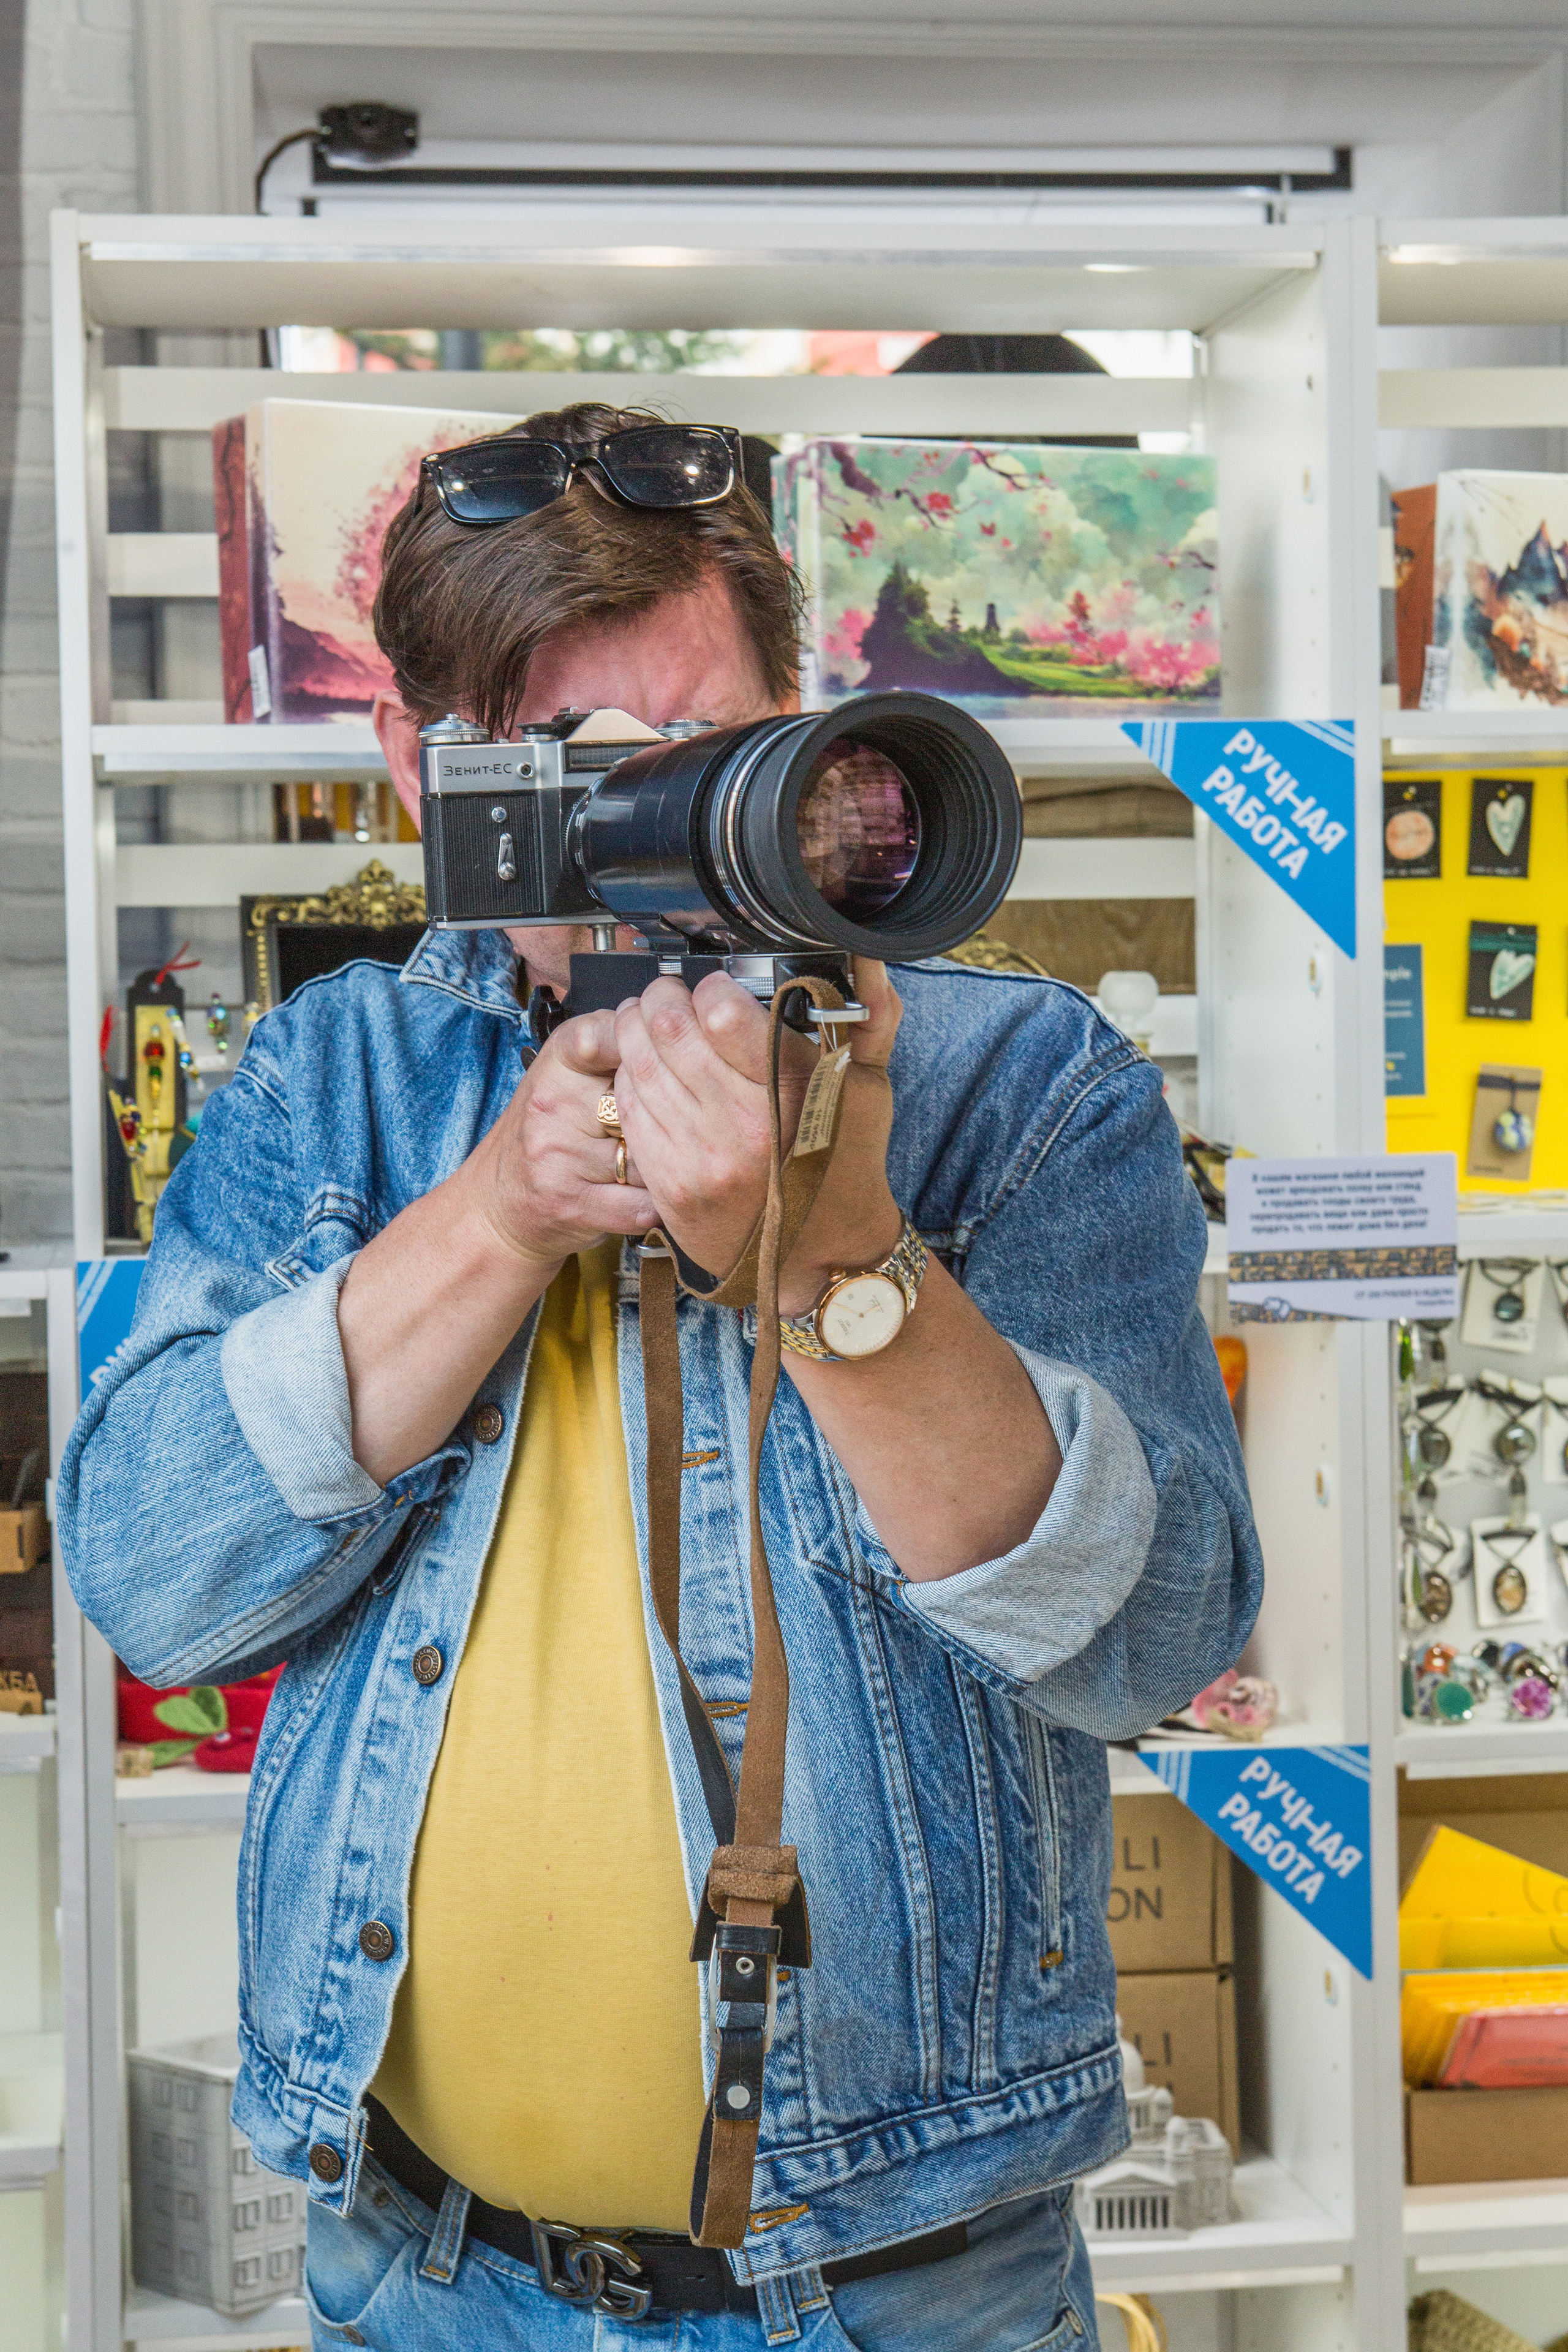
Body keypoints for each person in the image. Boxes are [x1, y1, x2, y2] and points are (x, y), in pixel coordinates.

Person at [60, 402, 1261, 2352]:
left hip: (895, 2287)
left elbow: (1154, 1646)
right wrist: (501, 1210)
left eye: (712, 752)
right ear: (424, 771)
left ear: (803, 719)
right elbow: (154, 1582)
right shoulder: (344, 1076)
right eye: (589, 768)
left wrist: (844, 1258)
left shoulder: (1016, 1088)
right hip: (424, 2264)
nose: (668, 832)